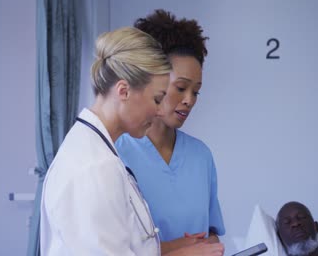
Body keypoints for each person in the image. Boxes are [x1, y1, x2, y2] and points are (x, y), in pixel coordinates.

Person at [40, 27, 224, 255]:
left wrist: (177, 246)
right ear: (124, 91)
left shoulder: (99, 153)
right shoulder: (94, 168)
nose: (158, 111)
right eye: (157, 99)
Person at [115, 9, 225, 254]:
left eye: (196, 91)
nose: (189, 100)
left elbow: (212, 234)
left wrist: (210, 246)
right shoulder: (116, 154)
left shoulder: (201, 156)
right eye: (181, 87)